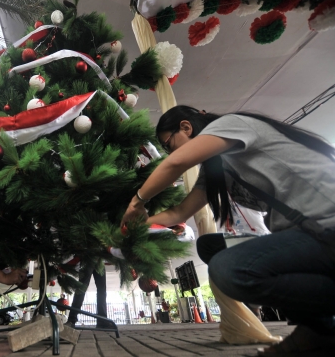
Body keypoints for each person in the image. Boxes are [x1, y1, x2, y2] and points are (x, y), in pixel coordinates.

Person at [121, 106, 335, 355]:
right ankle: (319, 329)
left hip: (325, 227)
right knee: (211, 246)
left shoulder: (232, 124)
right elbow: (179, 213)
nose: (171, 152)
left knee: (229, 268)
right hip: (304, 238)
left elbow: (177, 162)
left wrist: (137, 201)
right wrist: (135, 226)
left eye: (168, 144)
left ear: (186, 127)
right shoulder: (217, 167)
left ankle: (319, 325)